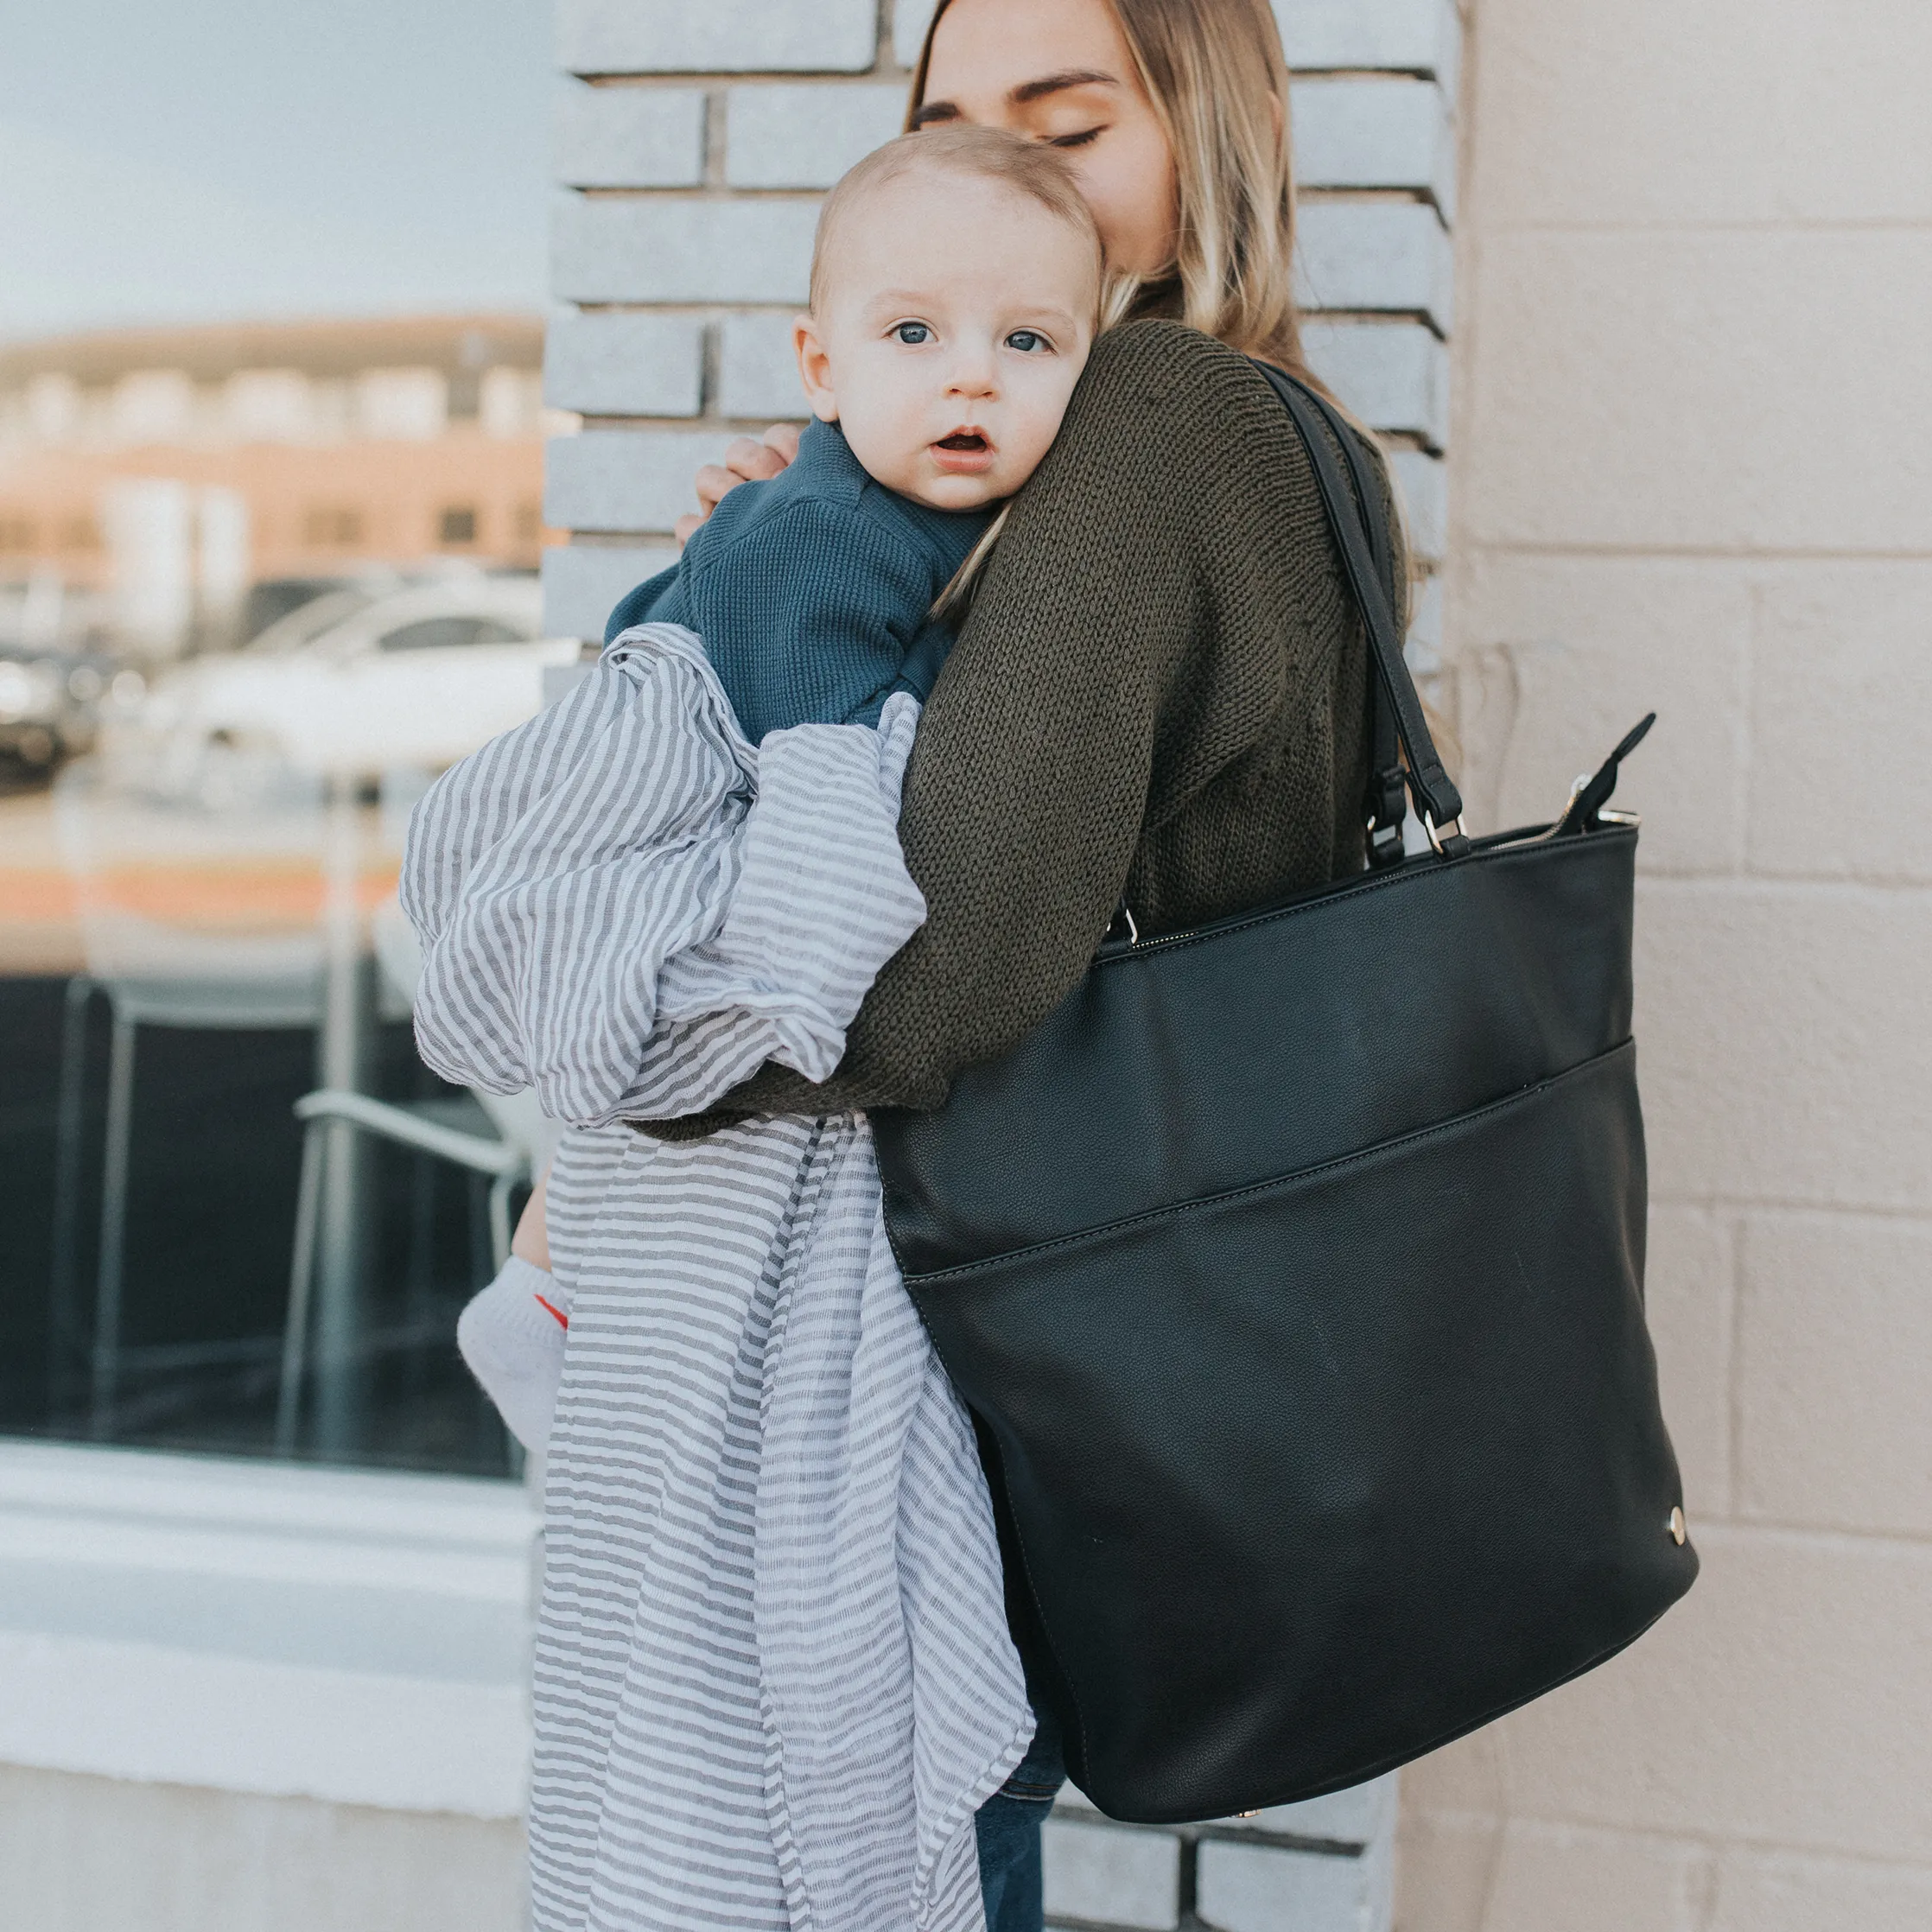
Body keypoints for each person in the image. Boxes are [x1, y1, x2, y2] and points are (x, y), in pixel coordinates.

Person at [643, 3, 1411, 1926]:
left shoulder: (1160, 426)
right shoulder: (1155, 456)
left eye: (1065, 129)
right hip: (1044, 1376)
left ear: (1201, 154)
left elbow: (924, 966)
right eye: (948, 127)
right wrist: (811, 551)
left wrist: (608, 1056)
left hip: (958, 1406)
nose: (998, 182)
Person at [453, 123, 1106, 1456]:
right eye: (913, 335)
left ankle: (551, 1290)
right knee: (650, 1036)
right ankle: (553, 1294)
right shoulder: (826, 525)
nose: (971, 376)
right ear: (822, 365)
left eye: (1028, 343)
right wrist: (826, 918)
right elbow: (821, 753)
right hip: (695, 793)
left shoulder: (950, 517)